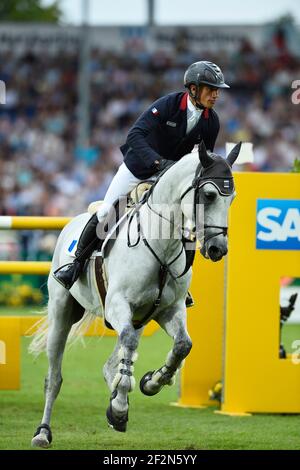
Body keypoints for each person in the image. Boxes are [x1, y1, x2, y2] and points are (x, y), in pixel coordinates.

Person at [53, 61, 230, 291]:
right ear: (193, 89)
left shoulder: (211, 121)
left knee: (188, 221)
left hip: (170, 180)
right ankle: (75, 265)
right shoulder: (168, 105)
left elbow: (202, 160)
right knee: (108, 210)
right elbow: (135, 135)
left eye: (217, 90)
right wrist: (158, 162)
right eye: (211, 89)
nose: (215, 95)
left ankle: (179, 286)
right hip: (138, 169)